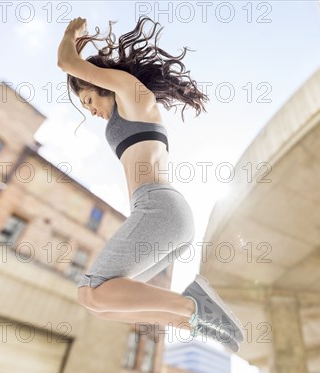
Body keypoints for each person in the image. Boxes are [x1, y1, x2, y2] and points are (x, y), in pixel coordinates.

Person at [57, 16, 244, 352]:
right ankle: (188, 320)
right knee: (100, 303)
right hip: (166, 217)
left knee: (91, 289)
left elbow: (66, 62)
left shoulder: (133, 94)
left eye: (88, 100)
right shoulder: (127, 110)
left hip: (160, 208)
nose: (92, 111)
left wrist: (72, 34)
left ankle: (194, 306)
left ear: (101, 82)